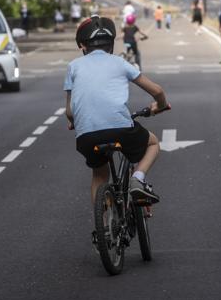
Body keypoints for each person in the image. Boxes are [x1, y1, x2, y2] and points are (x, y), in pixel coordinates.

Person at [64, 15, 170, 209]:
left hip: (86, 136)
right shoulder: (120, 63)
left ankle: (104, 223)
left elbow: (69, 111)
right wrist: (160, 105)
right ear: (111, 44)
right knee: (153, 143)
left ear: (83, 46)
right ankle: (137, 179)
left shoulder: (73, 67)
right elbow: (158, 91)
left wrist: (74, 121)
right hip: (120, 129)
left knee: (99, 174)